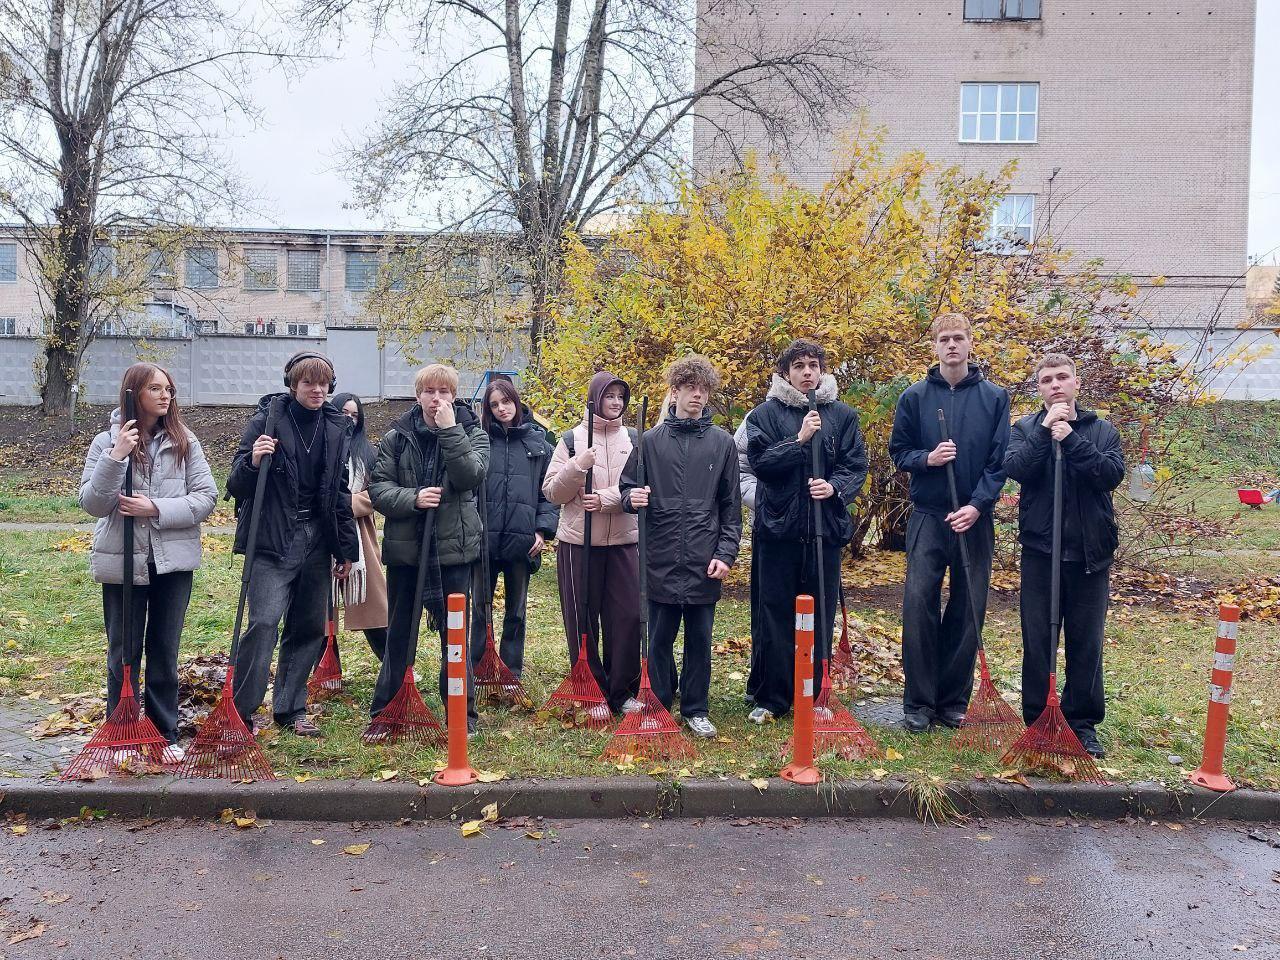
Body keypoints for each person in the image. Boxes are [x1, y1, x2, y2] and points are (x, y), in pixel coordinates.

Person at [79, 363, 218, 762]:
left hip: (172, 561)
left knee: (164, 648)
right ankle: (121, 733)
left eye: (168, 389)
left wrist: (154, 507)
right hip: (123, 559)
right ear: (133, 392)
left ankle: (163, 733)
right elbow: (93, 503)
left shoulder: (185, 441)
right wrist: (116, 457)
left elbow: (206, 497)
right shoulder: (106, 441)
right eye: (155, 388)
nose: (165, 396)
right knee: (123, 650)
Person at [889, 313, 1011, 733]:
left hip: (974, 519)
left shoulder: (995, 398)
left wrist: (977, 505)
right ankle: (919, 702)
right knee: (919, 602)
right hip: (928, 515)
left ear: (971, 344)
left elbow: (1000, 462)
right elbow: (899, 451)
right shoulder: (915, 397)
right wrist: (927, 459)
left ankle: (953, 700)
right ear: (935, 346)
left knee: (968, 604)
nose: (952, 345)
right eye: (945, 339)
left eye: (959, 338)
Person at [226, 352, 358, 737]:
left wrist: (345, 549)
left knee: (307, 627)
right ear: (292, 384)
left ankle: (290, 708)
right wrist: (253, 461)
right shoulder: (267, 420)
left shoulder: (336, 427)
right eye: (308, 383)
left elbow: (339, 491)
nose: (316, 390)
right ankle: (242, 710)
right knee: (264, 622)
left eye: (323, 383)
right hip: (273, 538)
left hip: (317, 539)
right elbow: (236, 485)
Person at [1004, 353, 1124, 759]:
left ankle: (1082, 723)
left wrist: (1070, 438)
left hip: (1090, 556)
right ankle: (1039, 721)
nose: (1054, 385)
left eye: (1061, 378)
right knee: (1038, 640)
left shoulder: (1101, 430)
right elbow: (1017, 468)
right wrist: (1044, 432)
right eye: (1046, 380)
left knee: (1086, 642)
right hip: (1042, 552)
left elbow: (1109, 475)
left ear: (1075, 383)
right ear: (1039, 389)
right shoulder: (1024, 428)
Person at [745, 339, 868, 723]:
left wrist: (834, 489)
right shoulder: (763, 415)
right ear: (786, 373)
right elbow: (761, 464)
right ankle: (772, 696)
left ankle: (815, 693)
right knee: (774, 612)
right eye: (798, 366)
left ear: (822, 370)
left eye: (813, 365)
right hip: (777, 530)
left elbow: (855, 465)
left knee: (819, 612)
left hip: (823, 530)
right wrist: (798, 441)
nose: (807, 372)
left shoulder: (843, 416)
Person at [620, 356, 741, 738]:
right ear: (675, 392)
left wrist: (725, 554)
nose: (697, 396)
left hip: (705, 559)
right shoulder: (650, 442)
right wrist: (632, 497)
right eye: (690, 388)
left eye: (704, 390)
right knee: (659, 637)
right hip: (661, 556)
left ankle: (696, 707)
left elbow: (731, 508)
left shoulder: (722, 444)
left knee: (700, 639)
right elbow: (626, 489)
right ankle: (657, 702)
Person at [369, 364, 489, 733]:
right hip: (407, 551)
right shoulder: (397, 437)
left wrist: (451, 431)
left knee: (455, 635)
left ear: (454, 396)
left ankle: (460, 713)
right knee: (400, 632)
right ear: (418, 395)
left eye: (444, 391)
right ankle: (387, 710)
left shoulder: (472, 432)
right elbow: (379, 489)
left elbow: (470, 475)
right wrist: (414, 498)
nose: (436, 398)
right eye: (429, 391)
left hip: (454, 551)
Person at [543, 371, 642, 714]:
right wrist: (576, 466)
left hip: (624, 542)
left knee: (626, 617)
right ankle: (591, 690)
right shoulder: (572, 439)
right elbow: (553, 492)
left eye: (620, 397)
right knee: (582, 617)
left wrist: (606, 499)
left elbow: (641, 487)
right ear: (594, 398)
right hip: (577, 544)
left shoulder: (634, 439)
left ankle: (622, 691)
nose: (615, 403)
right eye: (609, 396)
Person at [471, 378, 559, 678]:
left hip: (523, 540)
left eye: (506, 402)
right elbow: (469, 489)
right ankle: (480, 667)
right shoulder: (480, 441)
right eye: (494, 404)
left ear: (516, 401)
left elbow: (548, 493)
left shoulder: (539, 444)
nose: (501, 409)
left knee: (516, 611)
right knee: (481, 608)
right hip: (485, 540)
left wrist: (542, 530)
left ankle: (511, 673)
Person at [331, 392, 389, 659]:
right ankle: (327, 671)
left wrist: (344, 504)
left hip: (360, 539)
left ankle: (393, 667)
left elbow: (378, 492)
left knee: (375, 607)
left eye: (355, 415)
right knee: (322, 610)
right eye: (344, 413)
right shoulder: (321, 447)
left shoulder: (368, 453)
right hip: (324, 536)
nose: (349, 420)